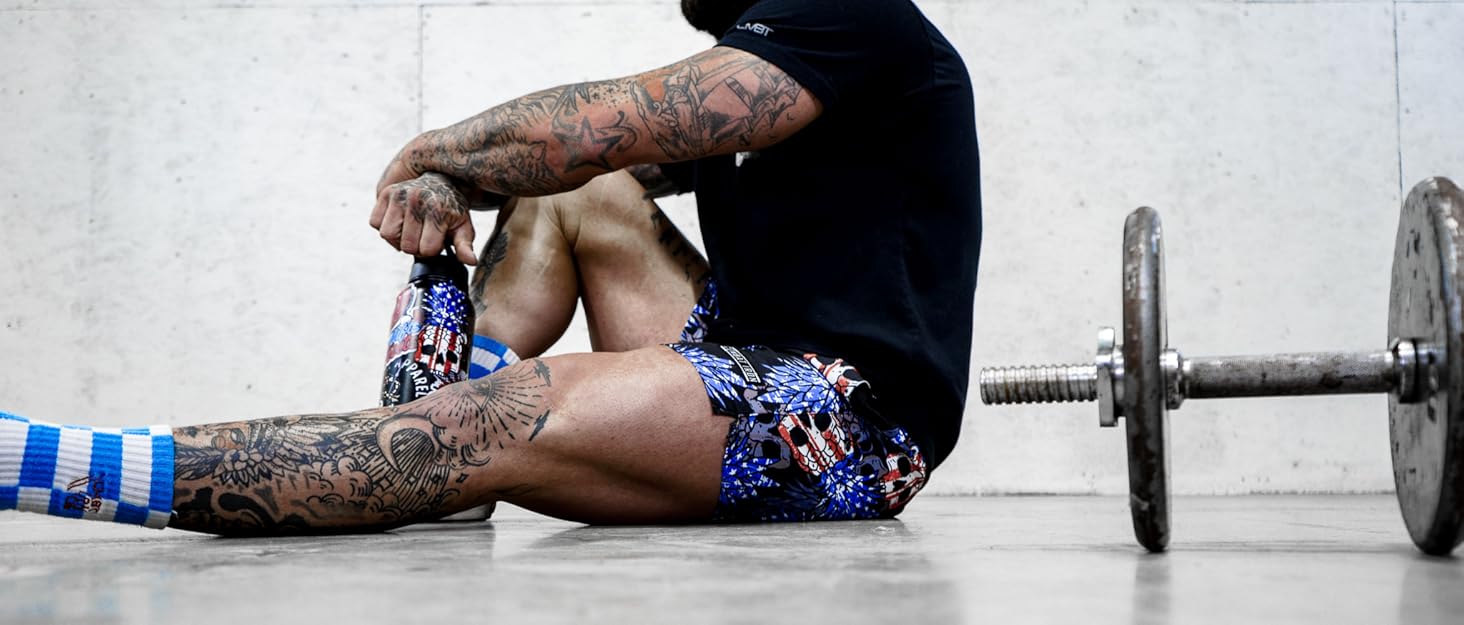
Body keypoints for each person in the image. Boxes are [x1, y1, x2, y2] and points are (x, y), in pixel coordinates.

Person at [0, 0, 979, 534]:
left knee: (493, 418)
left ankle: (38, 460)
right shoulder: (793, 46)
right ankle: (441, 436)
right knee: (577, 193)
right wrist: (451, 193)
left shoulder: (850, 15)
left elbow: (612, 122)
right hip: (743, 351)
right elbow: (579, 164)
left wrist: (431, 155)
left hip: (851, 418)